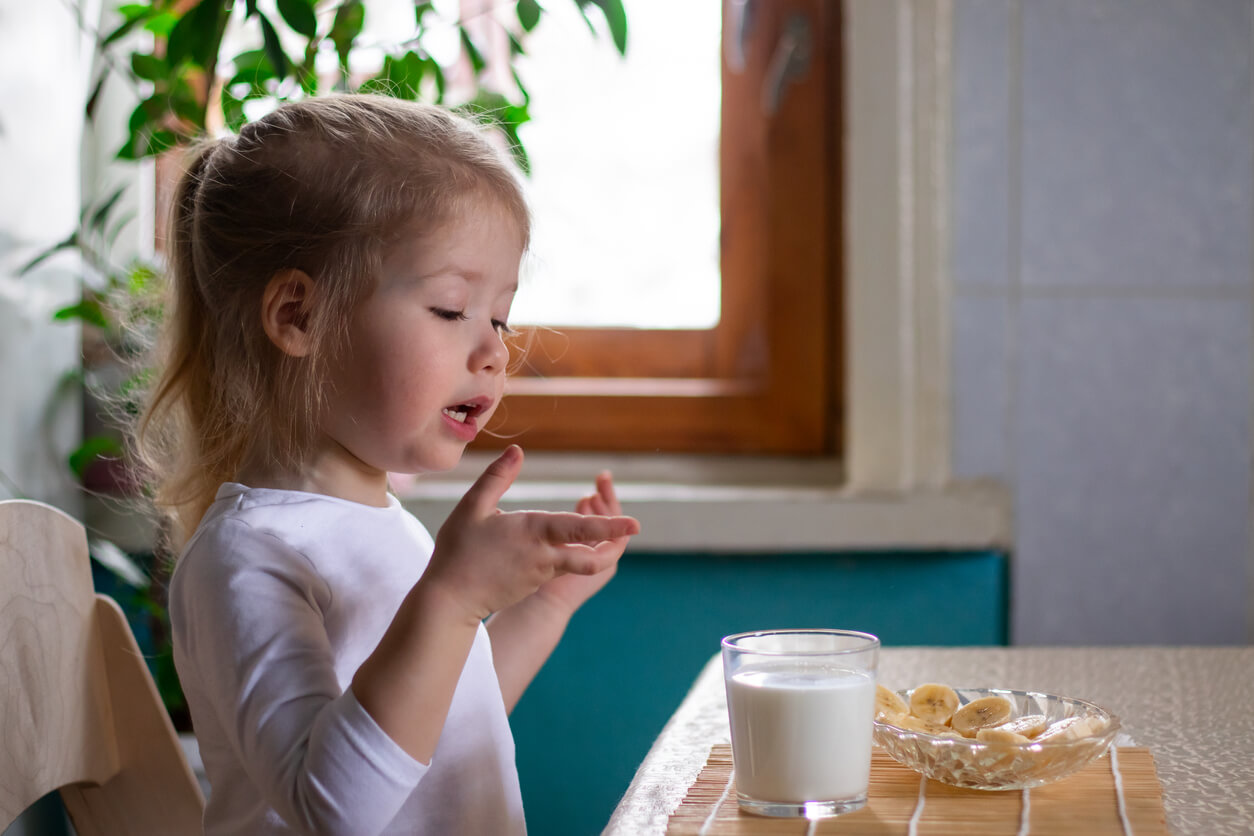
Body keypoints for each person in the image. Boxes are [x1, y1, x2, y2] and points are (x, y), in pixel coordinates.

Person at [133, 94, 641, 835]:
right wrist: (451, 597)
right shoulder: (246, 557)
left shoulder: (379, 525)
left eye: (499, 317)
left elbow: (442, 722)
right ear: (298, 317)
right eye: (450, 310)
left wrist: (547, 605)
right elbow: (333, 806)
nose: (495, 350)